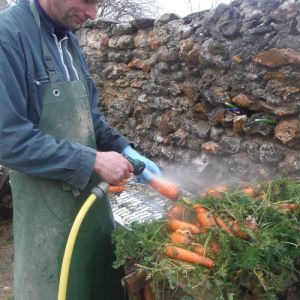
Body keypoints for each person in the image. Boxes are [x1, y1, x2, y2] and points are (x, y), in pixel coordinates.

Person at [0, 0, 161, 299]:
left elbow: (89, 117)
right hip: (46, 215)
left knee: (100, 285)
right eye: (87, 1)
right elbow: (8, 139)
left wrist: (124, 147)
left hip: (90, 208)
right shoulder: (7, 36)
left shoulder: (68, 39)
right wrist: (91, 161)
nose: (93, 14)